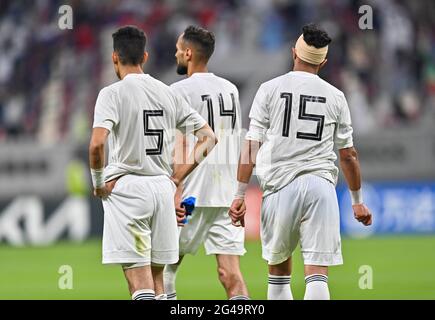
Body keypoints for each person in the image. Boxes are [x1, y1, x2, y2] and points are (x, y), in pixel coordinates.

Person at [229, 23, 372, 300]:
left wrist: (239, 193)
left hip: (280, 187)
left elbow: (252, 144)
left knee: (279, 276)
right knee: (317, 274)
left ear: (294, 52)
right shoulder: (336, 96)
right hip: (320, 187)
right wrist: (357, 201)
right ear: (324, 61)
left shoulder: (269, 89)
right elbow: (348, 155)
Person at [88, 25, 216, 300]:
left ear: (114, 58)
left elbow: (97, 144)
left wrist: (98, 183)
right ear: (145, 57)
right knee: (159, 284)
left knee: (140, 284)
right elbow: (208, 137)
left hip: (128, 189)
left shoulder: (111, 94)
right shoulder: (167, 92)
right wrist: (176, 179)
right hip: (161, 189)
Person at [163, 26, 249, 300]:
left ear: (188, 53)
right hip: (225, 196)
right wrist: (239, 193)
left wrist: (175, 189)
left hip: (192, 194)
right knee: (230, 274)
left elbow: (181, 142)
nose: (175, 53)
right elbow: (238, 139)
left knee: (164, 270)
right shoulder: (230, 89)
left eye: (178, 49)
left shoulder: (177, 91)